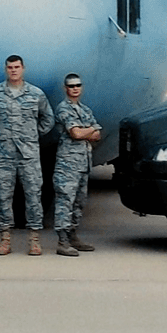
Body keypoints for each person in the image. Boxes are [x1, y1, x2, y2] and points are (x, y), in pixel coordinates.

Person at [0, 54, 54, 256]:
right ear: (5, 69)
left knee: (33, 196)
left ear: (23, 68)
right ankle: (5, 240)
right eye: (10, 67)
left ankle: (34, 240)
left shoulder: (36, 94)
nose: (13, 70)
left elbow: (48, 119)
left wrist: (31, 135)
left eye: (17, 67)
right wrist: (0, 137)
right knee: (4, 197)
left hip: (29, 155)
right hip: (4, 156)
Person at [52, 73, 101, 257]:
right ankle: (62, 241)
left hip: (83, 163)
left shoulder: (85, 110)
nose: (75, 88)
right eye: (71, 86)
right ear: (66, 88)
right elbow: (76, 134)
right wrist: (91, 130)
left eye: (78, 85)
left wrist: (87, 131)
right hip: (68, 164)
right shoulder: (63, 109)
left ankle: (73, 236)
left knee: (79, 202)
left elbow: (98, 135)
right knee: (65, 200)